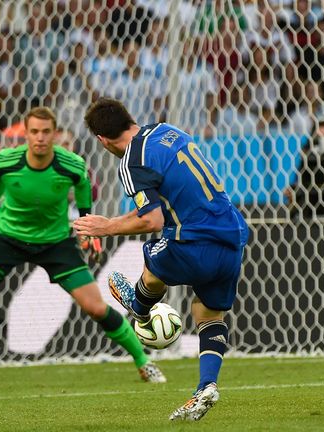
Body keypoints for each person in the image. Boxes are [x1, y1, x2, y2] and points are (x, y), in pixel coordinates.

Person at [0, 107, 165, 385]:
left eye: (46, 132)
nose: (40, 138)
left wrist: (86, 227)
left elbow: (82, 188)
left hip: (55, 242)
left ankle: (144, 362)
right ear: (25, 134)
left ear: (55, 134)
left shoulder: (71, 164)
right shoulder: (5, 161)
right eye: (34, 132)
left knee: (95, 307)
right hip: (7, 238)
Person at [76, 98, 249, 421]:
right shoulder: (166, 131)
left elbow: (152, 221)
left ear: (101, 140)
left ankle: (139, 308)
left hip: (194, 241)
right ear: (130, 119)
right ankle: (206, 386)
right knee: (207, 311)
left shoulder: (131, 161)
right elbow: (157, 204)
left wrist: (107, 227)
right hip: (232, 235)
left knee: (152, 262)